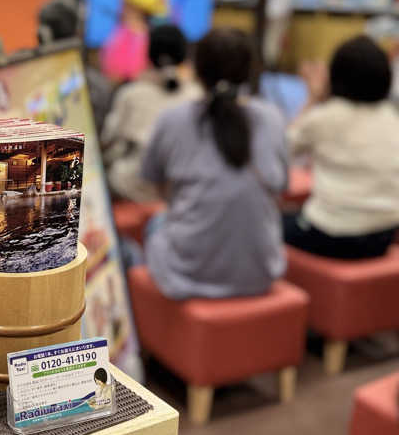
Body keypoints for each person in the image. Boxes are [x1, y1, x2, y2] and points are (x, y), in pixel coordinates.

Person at [140, 28, 288, 299]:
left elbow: (158, 188)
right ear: (250, 69)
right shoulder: (273, 118)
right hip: (261, 274)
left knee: (155, 224)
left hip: (187, 276)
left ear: (196, 70)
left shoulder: (172, 120)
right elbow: (281, 187)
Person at [283, 36, 399, 258]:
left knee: (271, 223)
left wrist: (314, 98)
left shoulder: (325, 116)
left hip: (332, 235)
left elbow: (280, 150)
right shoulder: (392, 117)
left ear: (336, 76)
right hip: (384, 235)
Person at [102, 24, 202, 202]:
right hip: (181, 188)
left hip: (134, 188)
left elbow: (110, 142)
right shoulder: (197, 95)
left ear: (149, 54)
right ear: (184, 55)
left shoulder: (130, 94)